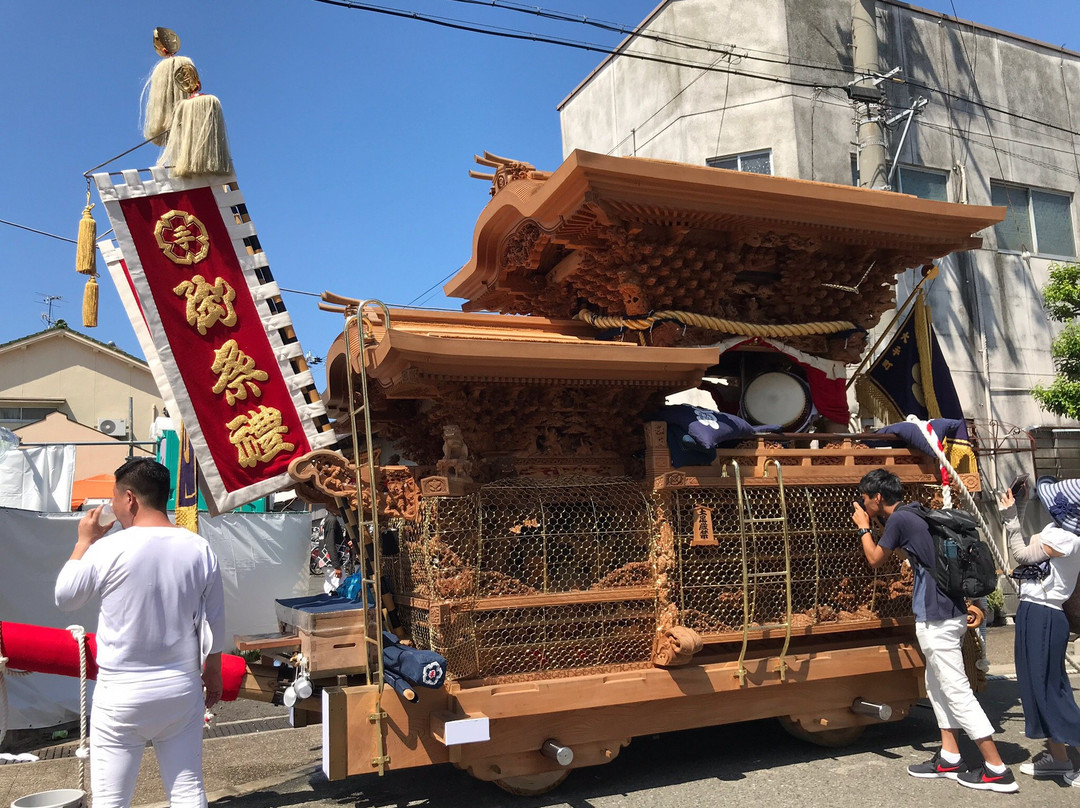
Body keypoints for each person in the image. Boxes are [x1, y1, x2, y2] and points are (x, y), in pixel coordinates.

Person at [55, 458, 225, 808]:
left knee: (112, 800)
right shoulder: (198, 548)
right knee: (188, 790)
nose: (112, 507)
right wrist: (214, 674)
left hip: (121, 693)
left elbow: (66, 597)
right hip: (180, 686)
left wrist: (83, 542)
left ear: (129, 498)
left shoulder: (108, 548)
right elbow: (215, 622)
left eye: (114, 498)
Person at [852, 468, 1017, 792]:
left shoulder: (900, 520)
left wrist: (862, 529)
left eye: (865, 497)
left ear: (878, 498)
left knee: (955, 691)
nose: (863, 502)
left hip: (937, 618)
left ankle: (997, 768)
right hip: (948, 613)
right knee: (938, 687)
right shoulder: (916, 514)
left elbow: (874, 558)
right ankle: (950, 757)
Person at [998, 477, 1080, 783]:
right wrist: (1018, 504)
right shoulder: (1054, 533)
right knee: (1037, 688)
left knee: (1050, 690)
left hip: (1045, 615)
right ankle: (1059, 760)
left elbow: (1022, 555)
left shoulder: (1068, 540)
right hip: (1033, 611)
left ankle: (1074, 759)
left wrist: (1009, 517)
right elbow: (1022, 548)